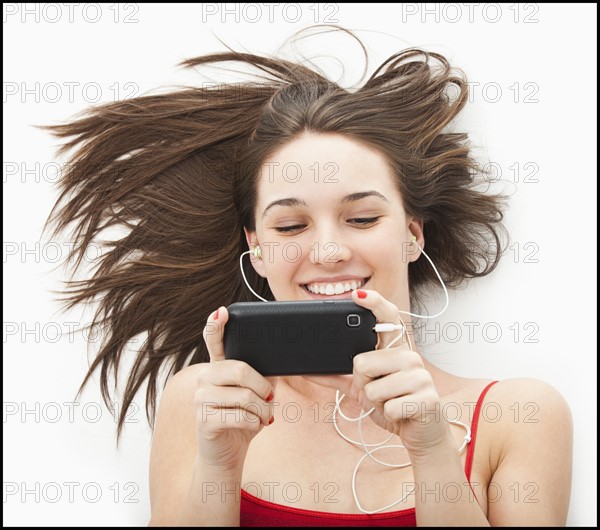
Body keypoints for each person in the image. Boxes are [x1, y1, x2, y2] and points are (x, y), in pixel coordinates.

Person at [42, 26, 572, 526]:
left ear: (413, 235)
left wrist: (432, 452)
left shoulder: (517, 415)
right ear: (257, 249)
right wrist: (220, 467)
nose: (328, 250)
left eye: (362, 218)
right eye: (291, 225)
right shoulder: (201, 401)